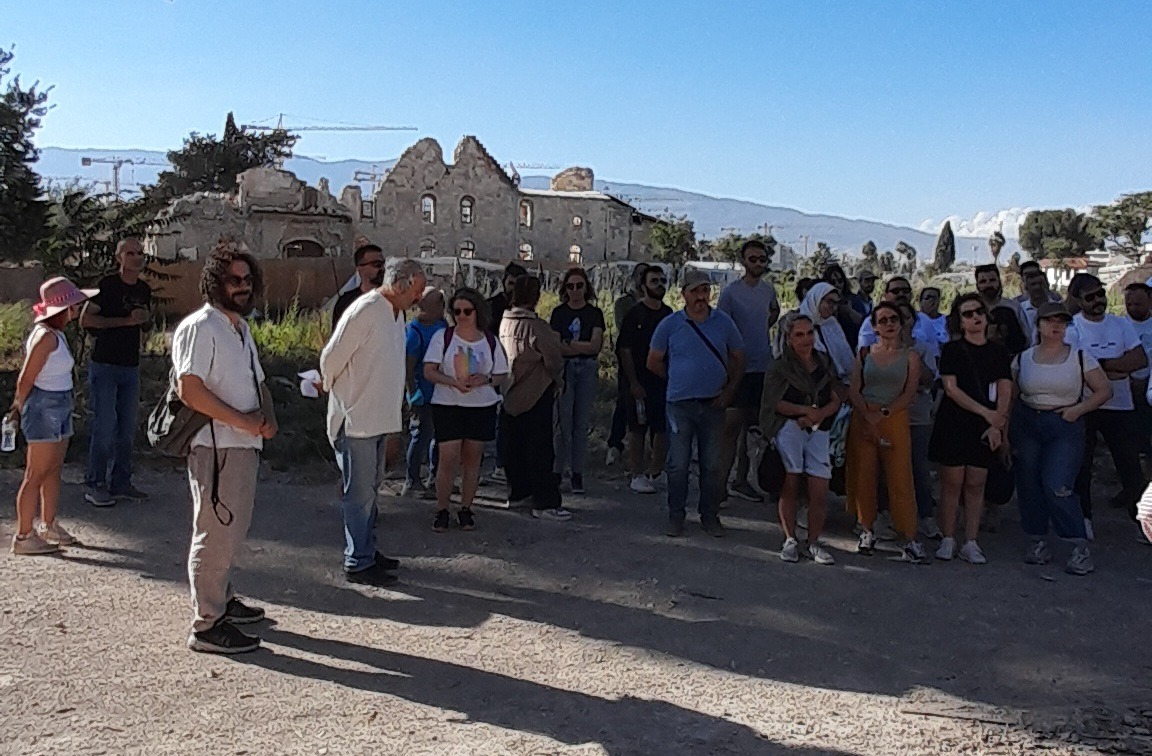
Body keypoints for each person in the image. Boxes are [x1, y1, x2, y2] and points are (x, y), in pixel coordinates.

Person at [172, 241, 277, 654]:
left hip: (243, 443)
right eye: (234, 280)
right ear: (215, 281)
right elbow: (190, 390)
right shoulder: (201, 327)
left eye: (247, 280)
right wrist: (244, 421)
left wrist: (267, 419)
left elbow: (259, 380)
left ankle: (222, 599)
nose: (242, 287)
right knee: (214, 533)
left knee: (230, 531)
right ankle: (207, 624)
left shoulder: (240, 328)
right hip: (214, 447)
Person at [321, 257, 426, 587]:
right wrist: (334, 390)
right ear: (401, 284)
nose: (419, 298)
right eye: (417, 290)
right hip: (357, 419)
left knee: (371, 489)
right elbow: (331, 358)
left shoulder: (397, 314)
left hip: (380, 418)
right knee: (359, 493)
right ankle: (357, 559)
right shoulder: (366, 309)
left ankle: (366, 548)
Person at [1012, 302, 1111, 575]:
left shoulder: (1080, 357)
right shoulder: (1023, 359)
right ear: (1039, 324)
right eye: (1049, 321)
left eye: (1061, 322)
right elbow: (1011, 395)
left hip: (1064, 424)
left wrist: (1078, 409)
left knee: (1058, 484)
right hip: (1029, 422)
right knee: (1029, 483)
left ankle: (1077, 544)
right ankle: (1037, 539)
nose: (1055, 326)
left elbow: (1104, 390)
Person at [647, 270, 744, 538]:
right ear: (684, 294)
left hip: (714, 404)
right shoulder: (670, 324)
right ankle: (675, 515)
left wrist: (729, 390)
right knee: (677, 464)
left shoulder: (723, 323)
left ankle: (710, 515)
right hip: (680, 405)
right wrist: (677, 380)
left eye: (705, 290)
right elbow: (653, 360)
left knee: (711, 465)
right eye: (695, 291)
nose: (701, 296)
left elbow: (738, 356)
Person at [7, 277, 97, 555]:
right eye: (72, 306)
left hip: (58, 403)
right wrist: (17, 408)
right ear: (62, 309)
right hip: (45, 406)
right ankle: (23, 536)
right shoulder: (46, 337)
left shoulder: (53, 334)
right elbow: (26, 377)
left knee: (53, 469)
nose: (75, 311)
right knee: (36, 473)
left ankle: (48, 524)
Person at [928, 293, 1013, 564]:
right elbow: (951, 389)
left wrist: (997, 422)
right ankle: (948, 537)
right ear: (959, 321)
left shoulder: (998, 351)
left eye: (978, 311)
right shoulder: (952, 350)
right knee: (952, 483)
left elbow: (1005, 388)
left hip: (986, 425)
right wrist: (987, 413)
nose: (975, 317)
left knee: (977, 483)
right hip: (955, 421)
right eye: (967, 313)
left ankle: (972, 541)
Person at [1065, 274, 1148, 533]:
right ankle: (1084, 519)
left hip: (1120, 407)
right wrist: (1114, 367)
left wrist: (1099, 366)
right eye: (1091, 297)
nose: (1099, 300)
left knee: (1130, 467)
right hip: (1086, 406)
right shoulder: (1072, 329)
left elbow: (1138, 360)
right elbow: (1075, 368)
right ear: (1079, 300)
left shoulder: (1121, 324)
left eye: (1101, 294)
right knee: (1083, 465)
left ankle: (1143, 523)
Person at [845, 302, 927, 563]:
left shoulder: (911, 356)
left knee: (900, 476)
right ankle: (867, 529)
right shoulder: (865, 353)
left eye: (894, 319)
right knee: (864, 474)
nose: (889, 324)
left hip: (894, 417)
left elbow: (909, 392)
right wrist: (867, 415)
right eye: (883, 320)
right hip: (864, 416)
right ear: (874, 326)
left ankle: (909, 537)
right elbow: (854, 388)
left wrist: (883, 415)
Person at [424, 288, 509, 531]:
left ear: (477, 312)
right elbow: (429, 370)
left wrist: (485, 379)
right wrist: (453, 382)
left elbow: (501, 373)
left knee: (472, 460)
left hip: (480, 406)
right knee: (447, 459)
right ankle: (442, 508)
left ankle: (466, 509)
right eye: (457, 311)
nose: (461, 316)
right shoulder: (443, 337)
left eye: (467, 311)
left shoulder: (490, 340)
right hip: (447, 404)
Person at [760, 313, 841, 565]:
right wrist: (804, 412)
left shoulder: (824, 362)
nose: (806, 339)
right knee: (791, 481)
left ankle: (814, 541)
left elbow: (837, 396)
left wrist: (818, 415)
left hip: (820, 429)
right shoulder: (780, 366)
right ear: (788, 338)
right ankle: (790, 539)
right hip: (790, 429)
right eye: (799, 334)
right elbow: (774, 402)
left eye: (809, 333)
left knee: (819, 487)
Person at [78, 238, 152, 507]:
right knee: (105, 427)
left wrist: (143, 322)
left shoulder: (143, 289)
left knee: (126, 429)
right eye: (130, 253)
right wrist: (124, 321)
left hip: (130, 366)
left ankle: (121, 482)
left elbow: (143, 322)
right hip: (105, 366)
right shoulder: (107, 286)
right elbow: (86, 319)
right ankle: (95, 483)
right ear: (119, 257)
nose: (136, 257)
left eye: (140, 253)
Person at [498, 275, 570, 520]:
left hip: (509, 391)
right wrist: (558, 380)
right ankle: (545, 502)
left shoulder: (504, 323)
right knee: (540, 449)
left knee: (514, 447)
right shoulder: (537, 326)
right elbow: (553, 359)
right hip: (536, 391)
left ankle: (518, 493)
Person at [717, 240, 780, 503]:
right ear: (744, 261)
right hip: (736, 368)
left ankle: (741, 480)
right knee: (730, 427)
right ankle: (718, 486)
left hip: (762, 367)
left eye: (762, 259)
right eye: (753, 259)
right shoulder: (730, 293)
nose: (758, 263)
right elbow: (721, 326)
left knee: (752, 430)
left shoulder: (768, 291)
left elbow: (773, 312)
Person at [549, 268, 605, 495]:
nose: (575, 291)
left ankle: (577, 472)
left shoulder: (594, 314)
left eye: (579, 286)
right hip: (565, 369)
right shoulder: (558, 313)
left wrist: (570, 345)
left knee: (580, 423)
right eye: (570, 286)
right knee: (562, 423)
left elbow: (595, 346)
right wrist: (575, 346)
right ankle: (557, 470)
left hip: (586, 368)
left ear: (586, 288)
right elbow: (555, 344)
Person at [618, 265, 672, 494]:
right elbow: (625, 349)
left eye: (662, 281)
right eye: (654, 281)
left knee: (661, 428)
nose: (659, 285)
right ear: (643, 285)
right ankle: (636, 473)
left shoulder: (669, 314)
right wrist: (633, 382)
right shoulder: (634, 314)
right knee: (637, 428)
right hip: (638, 380)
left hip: (662, 379)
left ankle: (656, 470)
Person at [897, 302, 941, 540]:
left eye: (905, 318)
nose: (900, 323)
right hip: (890, 415)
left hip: (917, 415)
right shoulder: (877, 350)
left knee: (919, 467)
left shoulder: (922, 348)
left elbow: (929, 379)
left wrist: (909, 351)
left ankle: (926, 516)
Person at [402, 286, 447, 499]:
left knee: (439, 437)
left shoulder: (442, 326)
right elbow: (408, 367)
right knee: (420, 435)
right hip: (423, 393)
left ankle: (435, 478)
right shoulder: (415, 331)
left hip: (442, 392)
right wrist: (413, 394)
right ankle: (412, 481)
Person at [607, 263, 650, 466]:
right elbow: (625, 328)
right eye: (641, 275)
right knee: (624, 402)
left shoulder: (654, 304)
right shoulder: (625, 303)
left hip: (649, 360)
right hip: (629, 357)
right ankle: (615, 444)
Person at [856, 276, 939, 349]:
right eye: (895, 291)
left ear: (911, 294)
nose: (901, 294)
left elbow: (934, 354)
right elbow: (864, 354)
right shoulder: (871, 322)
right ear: (885, 295)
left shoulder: (924, 320)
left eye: (905, 291)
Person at [798, 282, 855, 384]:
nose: (833, 307)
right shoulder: (798, 324)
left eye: (836, 303)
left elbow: (845, 355)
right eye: (829, 302)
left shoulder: (832, 324)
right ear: (817, 299)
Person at [1124, 282, 1152, 458]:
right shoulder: (1118, 325)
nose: (1132, 308)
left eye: (1138, 304)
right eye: (1129, 304)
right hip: (1125, 391)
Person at [975, 264, 1029, 353]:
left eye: (992, 280)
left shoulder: (1013, 307)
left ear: (999, 282)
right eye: (983, 281)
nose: (988, 284)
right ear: (977, 285)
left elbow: (1026, 337)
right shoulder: (973, 309)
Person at [332, 244, 385, 330]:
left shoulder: (392, 300)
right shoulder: (346, 302)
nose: (382, 269)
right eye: (377, 264)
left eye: (384, 264)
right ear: (360, 268)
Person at [822, 264, 864, 353]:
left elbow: (863, 323)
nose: (837, 285)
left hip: (852, 348)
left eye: (840, 281)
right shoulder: (822, 303)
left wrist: (848, 311)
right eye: (833, 282)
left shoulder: (854, 300)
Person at [486, 262, 528, 338]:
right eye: (511, 283)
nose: (513, 289)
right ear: (504, 282)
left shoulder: (526, 309)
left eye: (517, 285)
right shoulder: (490, 306)